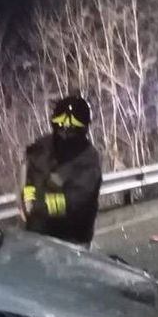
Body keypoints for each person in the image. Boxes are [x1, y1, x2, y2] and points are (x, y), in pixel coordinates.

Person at [21, 94, 102, 248]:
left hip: (72, 240)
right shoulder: (40, 149)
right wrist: (28, 200)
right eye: (61, 126)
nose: (65, 131)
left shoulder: (88, 160)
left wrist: (38, 205)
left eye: (71, 129)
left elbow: (75, 202)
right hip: (37, 234)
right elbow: (29, 177)